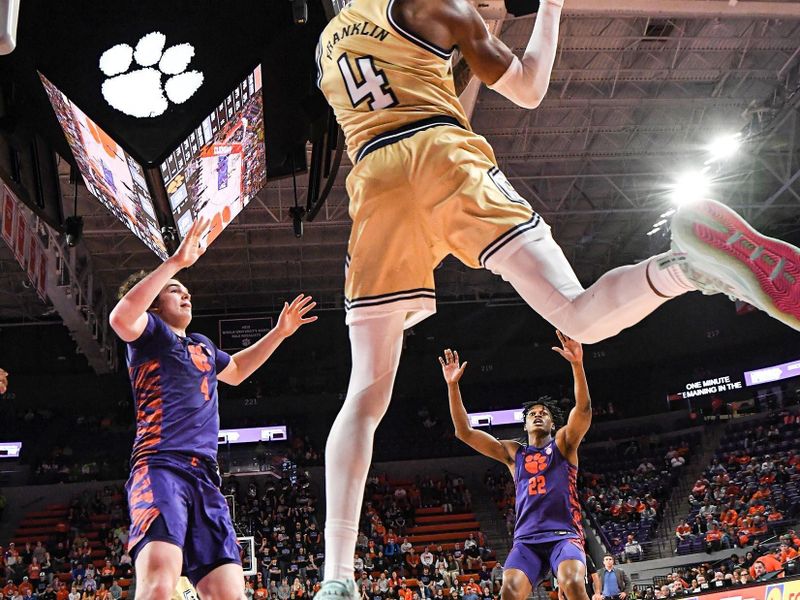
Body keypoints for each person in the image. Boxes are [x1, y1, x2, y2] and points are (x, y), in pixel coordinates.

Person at [314, 0, 800, 595]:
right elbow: (529, 89)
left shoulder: (326, 44)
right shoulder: (433, 5)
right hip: (443, 158)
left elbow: (434, 90)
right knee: (577, 314)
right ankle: (682, 271)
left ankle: (335, 580)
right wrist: (548, 9)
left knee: (364, 396)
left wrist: (472, 40)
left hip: (376, 186)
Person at [108, 217, 317, 600]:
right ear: (154, 304)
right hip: (160, 465)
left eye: (186, 290)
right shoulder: (150, 337)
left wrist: (279, 333)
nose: (186, 295)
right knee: (158, 584)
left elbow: (236, 371)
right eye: (175, 291)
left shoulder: (202, 345)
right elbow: (121, 317)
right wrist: (174, 263)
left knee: (229, 594)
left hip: (206, 477)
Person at [439, 331, 591, 600]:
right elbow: (464, 432)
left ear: (553, 423)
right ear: (525, 424)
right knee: (508, 592)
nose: (538, 415)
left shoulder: (563, 444)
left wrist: (577, 365)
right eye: (532, 413)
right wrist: (453, 386)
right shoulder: (513, 452)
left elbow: (583, 410)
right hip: (526, 541)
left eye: (543, 413)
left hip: (563, 535)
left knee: (573, 584)